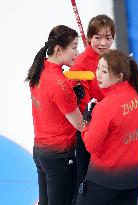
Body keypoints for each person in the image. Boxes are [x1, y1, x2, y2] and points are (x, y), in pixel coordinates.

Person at [75, 49, 138, 205]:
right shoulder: (137, 95)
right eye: (98, 68)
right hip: (132, 179)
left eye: (104, 71)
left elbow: (91, 145)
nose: (98, 74)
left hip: (103, 179)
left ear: (120, 76)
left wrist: (87, 121)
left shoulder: (105, 108)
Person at [25, 25, 83, 205]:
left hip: (41, 151)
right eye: (74, 47)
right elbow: (80, 124)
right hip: (60, 156)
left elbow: (52, 97)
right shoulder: (60, 84)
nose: (77, 52)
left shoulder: (39, 68)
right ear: (59, 49)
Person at [69, 14, 116, 200]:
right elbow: (84, 107)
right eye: (98, 38)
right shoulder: (80, 66)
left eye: (108, 37)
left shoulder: (112, 59)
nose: (103, 43)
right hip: (90, 131)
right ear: (89, 38)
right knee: (85, 180)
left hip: (109, 129)